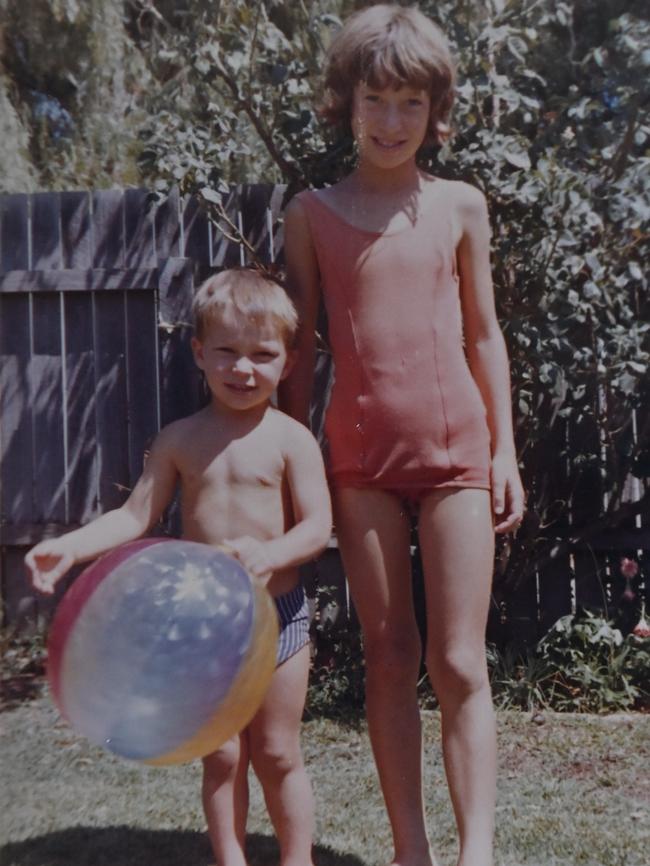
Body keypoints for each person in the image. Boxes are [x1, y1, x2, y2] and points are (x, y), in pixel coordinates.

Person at [281, 6, 525, 866]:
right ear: (345, 103)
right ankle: (410, 847)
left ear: (435, 110)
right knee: (389, 655)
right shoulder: (311, 213)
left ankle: (477, 848)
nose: (391, 123)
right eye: (375, 101)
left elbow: (485, 334)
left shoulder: (461, 204)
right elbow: (301, 353)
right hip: (358, 463)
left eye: (409, 105)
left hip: (459, 452)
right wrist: (292, 467)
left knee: (459, 660)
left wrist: (503, 451)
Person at [25, 267, 332, 866]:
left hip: (281, 616)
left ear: (288, 364)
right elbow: (135, 516)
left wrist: (271, 554)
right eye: (227, 352)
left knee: (276, 750)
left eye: (262, 355)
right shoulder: (179, 440)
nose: (243, 369)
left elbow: (318, 528)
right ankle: (230, 860)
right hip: (204, 629)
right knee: (219, 753)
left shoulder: (292, 440)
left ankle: (298, 861)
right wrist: (71, 546)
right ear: (199, 352)